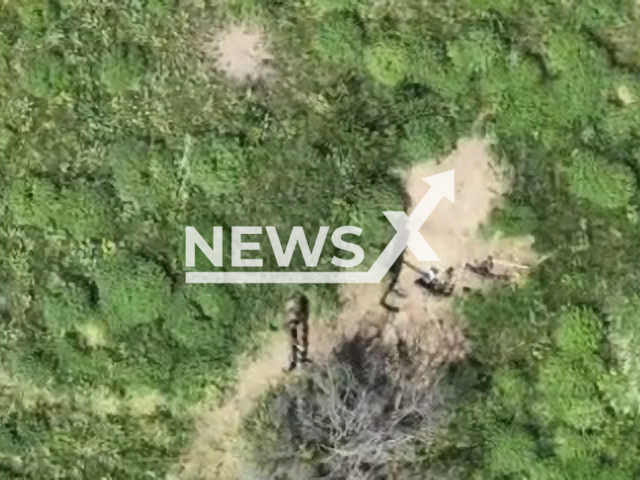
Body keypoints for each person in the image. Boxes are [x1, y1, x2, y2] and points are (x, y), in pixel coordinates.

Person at [284, 293, 310, 370]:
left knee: (301, 334)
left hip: (298, 306)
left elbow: (304, 332)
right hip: (295, 307)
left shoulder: (301, 315)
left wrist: (303, 348)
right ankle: (295, 360)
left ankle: (300, 358)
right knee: (294, 335)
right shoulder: (293, 318)